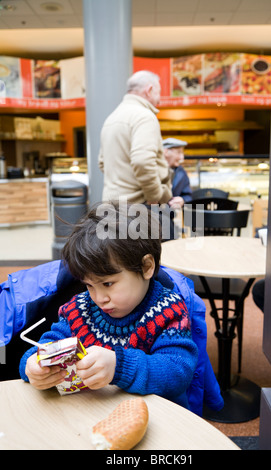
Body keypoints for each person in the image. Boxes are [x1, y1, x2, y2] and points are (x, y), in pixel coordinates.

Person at [19, 202, 199, 409]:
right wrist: (33, 365)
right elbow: (51, 343)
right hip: (90, 414)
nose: (99, 298)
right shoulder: (79, 309)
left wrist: (119, 367)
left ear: (147, 267)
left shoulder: (168, 310)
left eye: (108, 284)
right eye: (89, 285)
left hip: (157, 418)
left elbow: (178, 370)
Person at [99, 71, 172, 205]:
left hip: (111, 206)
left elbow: (102, 163)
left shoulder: (111, 118)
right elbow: (142, 161)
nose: (159, 100)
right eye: (158, 93)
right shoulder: (145, 117)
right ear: (149, 90)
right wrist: (154, 196)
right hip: (138, 208)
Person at [162, 138, 192, 209]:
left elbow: (188, 196)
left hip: (168, 217)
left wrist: (183, 200)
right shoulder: (151, 170)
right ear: (166, 152)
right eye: (178, 152)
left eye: (182, 153)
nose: (182, 157)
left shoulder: (181, 172)